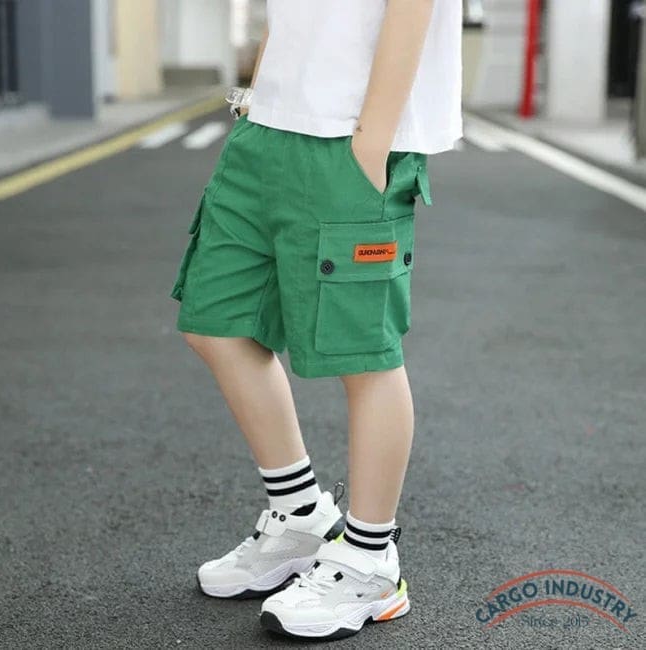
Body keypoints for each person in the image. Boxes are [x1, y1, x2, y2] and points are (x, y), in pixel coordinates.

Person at [171, 0, 462, 640]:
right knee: (215, 322)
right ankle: (301, 514)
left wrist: (372, 142)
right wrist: (256, 100)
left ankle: (371, 561)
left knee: (364, 355)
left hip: (350, 140)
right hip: (265, 130)